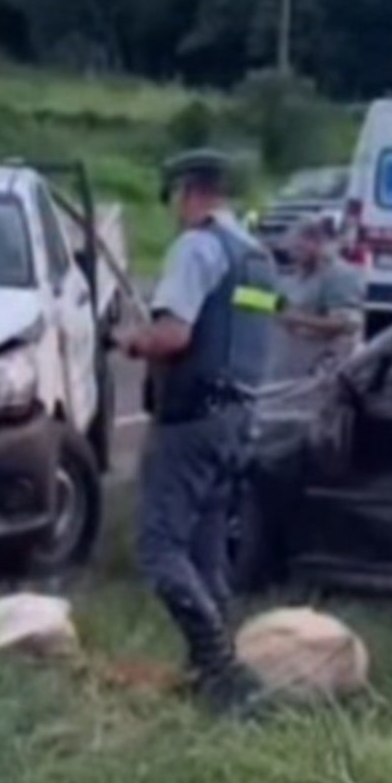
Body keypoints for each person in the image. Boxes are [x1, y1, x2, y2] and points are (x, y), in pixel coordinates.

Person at [116, 149, 283, 717]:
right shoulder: (256, 257)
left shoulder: (197, 247)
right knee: (208, 550)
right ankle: (212, 672)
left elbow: (174, 337)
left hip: (191, 421)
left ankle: (219, 665)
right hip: (237, 420)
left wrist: (130, 340)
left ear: (186, 192)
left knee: (160, 548)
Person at [273, 216, 366, 379]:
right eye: (291, 250)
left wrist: (299, 319)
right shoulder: (297, 275)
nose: (293, 255)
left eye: (298, 249)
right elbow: (280, 304)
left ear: (316, 242)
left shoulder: (340, 276)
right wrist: (241, 295)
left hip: (322, 372)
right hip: (291, 369)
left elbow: (348, 324)